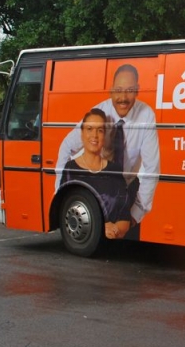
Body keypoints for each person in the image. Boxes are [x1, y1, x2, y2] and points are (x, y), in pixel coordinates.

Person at [55, 64, 160, 239]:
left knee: (127, 250)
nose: (123, 97)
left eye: (130, 90)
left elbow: (151, 169)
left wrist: (134, 215)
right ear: (111, 90)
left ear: (138, 91)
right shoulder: (100, 113)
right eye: (118, 90)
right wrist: (60, 193)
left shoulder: (146, 115)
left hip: (128, 188)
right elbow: (67, 146)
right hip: (99, 190)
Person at [59, 108, 131, 239]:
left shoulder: (114, 170)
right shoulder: (70, 169)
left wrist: (114, 230)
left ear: (105, 136)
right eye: (89, 129)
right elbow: (65, 208)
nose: (95, 136)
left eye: (100, 130)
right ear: (82, 133)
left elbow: (125, 216)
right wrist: (102, 227)